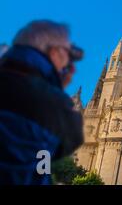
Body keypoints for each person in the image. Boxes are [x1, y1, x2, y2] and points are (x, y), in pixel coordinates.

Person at [0, 20, 84, 184]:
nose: (69, 62)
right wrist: (56, 89)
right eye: (68, 53)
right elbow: (71, 137)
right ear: (54, 52)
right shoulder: (51, 101)